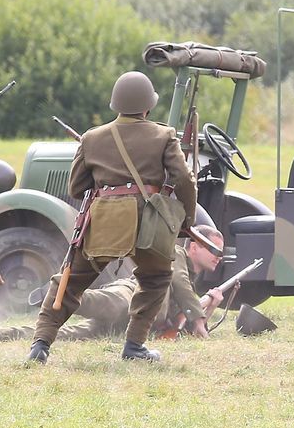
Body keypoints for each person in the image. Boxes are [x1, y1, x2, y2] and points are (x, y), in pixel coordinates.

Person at [26, 71, 197, 364]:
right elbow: (183, 180)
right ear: (148, 106)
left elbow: (76, 188)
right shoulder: (164, 134)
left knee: (71, 280)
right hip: (148, 224)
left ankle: (40, 344)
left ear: (116, 104)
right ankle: (134, 346)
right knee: (156, 279)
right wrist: (186, 219)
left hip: (103, 221)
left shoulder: (92, 138)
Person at [0, 226, 226, 344]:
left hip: (133, 324)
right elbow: (179, 283)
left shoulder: (194, 285)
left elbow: (178, 325)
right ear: (193, 246)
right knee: (98, 302)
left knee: (68, 335)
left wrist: (210, 306)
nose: (219, 256)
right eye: (213, 248)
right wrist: (200, 318)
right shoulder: (177, 254)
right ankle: (57, 292)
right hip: (133, 297)